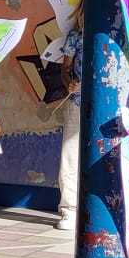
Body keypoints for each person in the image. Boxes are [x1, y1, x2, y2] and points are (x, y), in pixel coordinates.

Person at [55, 24, 82, 232]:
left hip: (107, 105)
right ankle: (69, 209)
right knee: (70, 156)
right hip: (77, 102)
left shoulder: (116, 32)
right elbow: (64, 68)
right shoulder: (76, 35)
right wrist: (69, 83)